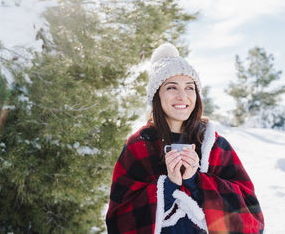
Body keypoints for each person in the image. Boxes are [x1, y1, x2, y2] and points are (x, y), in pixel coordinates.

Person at [106, 43, 264, 233]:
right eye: (172, 87)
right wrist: (168, 186)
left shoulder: (215, 146)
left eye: (190, 88)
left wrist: (195, 181)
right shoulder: (139, 146)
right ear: (157, 95)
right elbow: (118, 222)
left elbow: (252, 218)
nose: (183, 96)